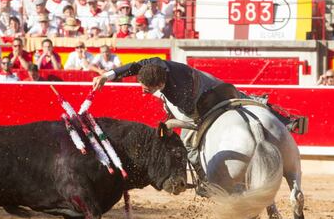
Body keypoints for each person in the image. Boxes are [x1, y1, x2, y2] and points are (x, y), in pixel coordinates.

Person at [92, 57, 306, 171]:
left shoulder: (177, 95)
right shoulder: (156, 64)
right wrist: (108, 75)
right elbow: (136, 65)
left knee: (190, 144)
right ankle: (285, 121)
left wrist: (171, 123)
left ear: (160, 84)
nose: (142, 90)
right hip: (208, 79)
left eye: (148, 89)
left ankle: (201, 176)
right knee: (246, 98)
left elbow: (191, 118)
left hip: (198, 101)